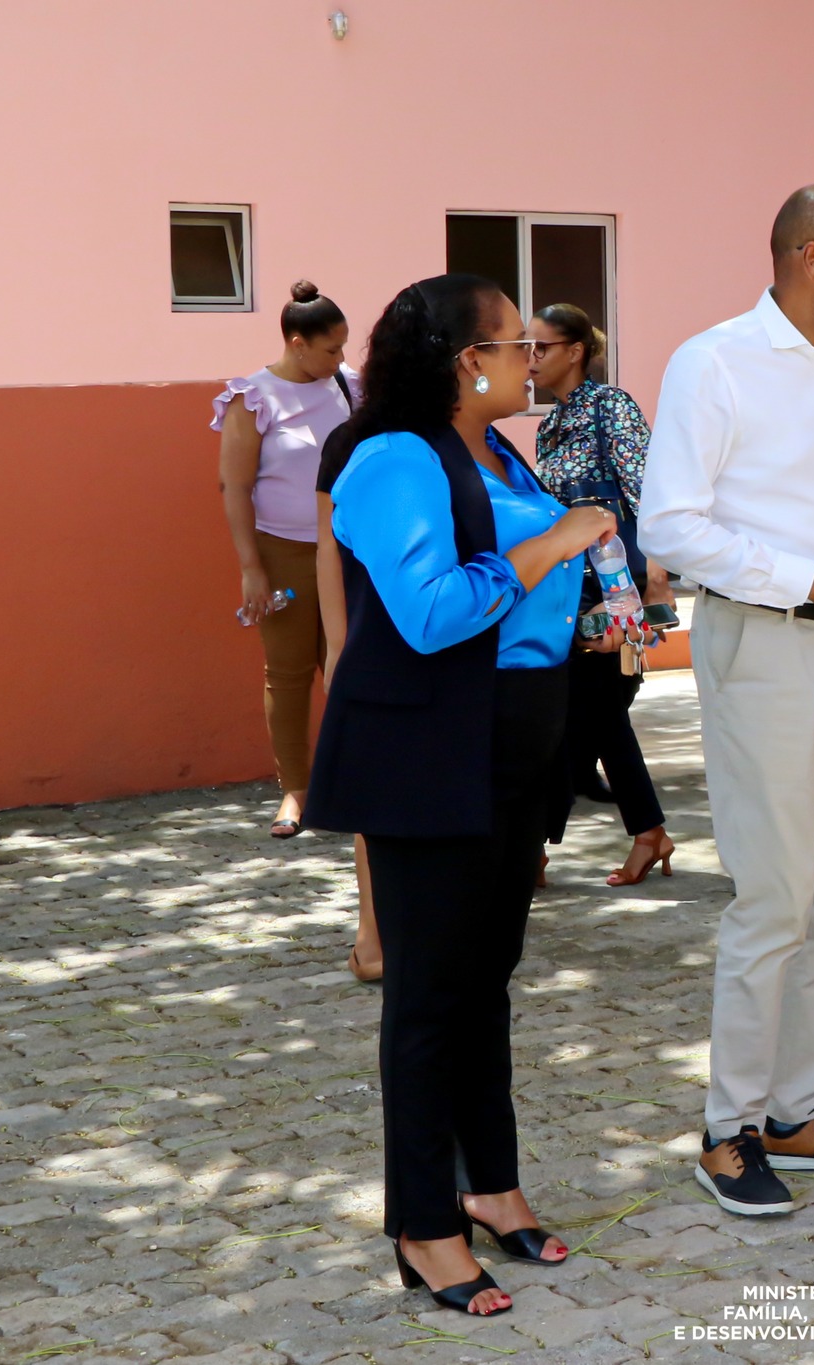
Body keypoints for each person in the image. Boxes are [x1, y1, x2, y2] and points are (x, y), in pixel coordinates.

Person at [306, 273, 621, 1316]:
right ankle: (422, 1223)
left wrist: (586, 607)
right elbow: (436, 611)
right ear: (463, 362)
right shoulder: (392, 457)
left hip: (513, 738)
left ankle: (488, 1185)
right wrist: (556, 541)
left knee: (487, 979)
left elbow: (521, 604)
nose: (531, 358)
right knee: (428, 998)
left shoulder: (493, 449)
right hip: (430, 750)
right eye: (513, 344)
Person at [637, 184, 814, 1218]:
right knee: (774, 895)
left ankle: (799, 1110)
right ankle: (727, 1129)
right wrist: (800, 580)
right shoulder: (714, 363)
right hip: (760, 645)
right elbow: (669, 525)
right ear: (810, 256)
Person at [527, 302, 675, 886]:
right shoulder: (547, 425)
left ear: (575, 351)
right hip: (567, 584)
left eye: (541, 347)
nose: (530, 359)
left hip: (613, 587)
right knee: (587, 716)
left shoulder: (609, 404)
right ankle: (644, 833)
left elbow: (648, 489)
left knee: (587, 713)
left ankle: (542, 847)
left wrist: (656, 581)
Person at [213, 281, 357, 837]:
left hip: (347, 551)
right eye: (331, 349)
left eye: (344, 348)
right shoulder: (253, 397)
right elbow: (235, 487)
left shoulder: (350, 387)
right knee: (290, 671)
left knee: (348, 668)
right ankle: (295, 791)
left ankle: (349, 785)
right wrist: (252, 568)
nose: (340, 359)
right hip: (284, 552)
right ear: (298, 344)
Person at [314, 421, 382, 982]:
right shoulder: (351, 441)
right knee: (376, 797)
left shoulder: (474, 436)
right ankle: (373, 928)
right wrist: (337, 644)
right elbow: (328, 547)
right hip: (376, 636)